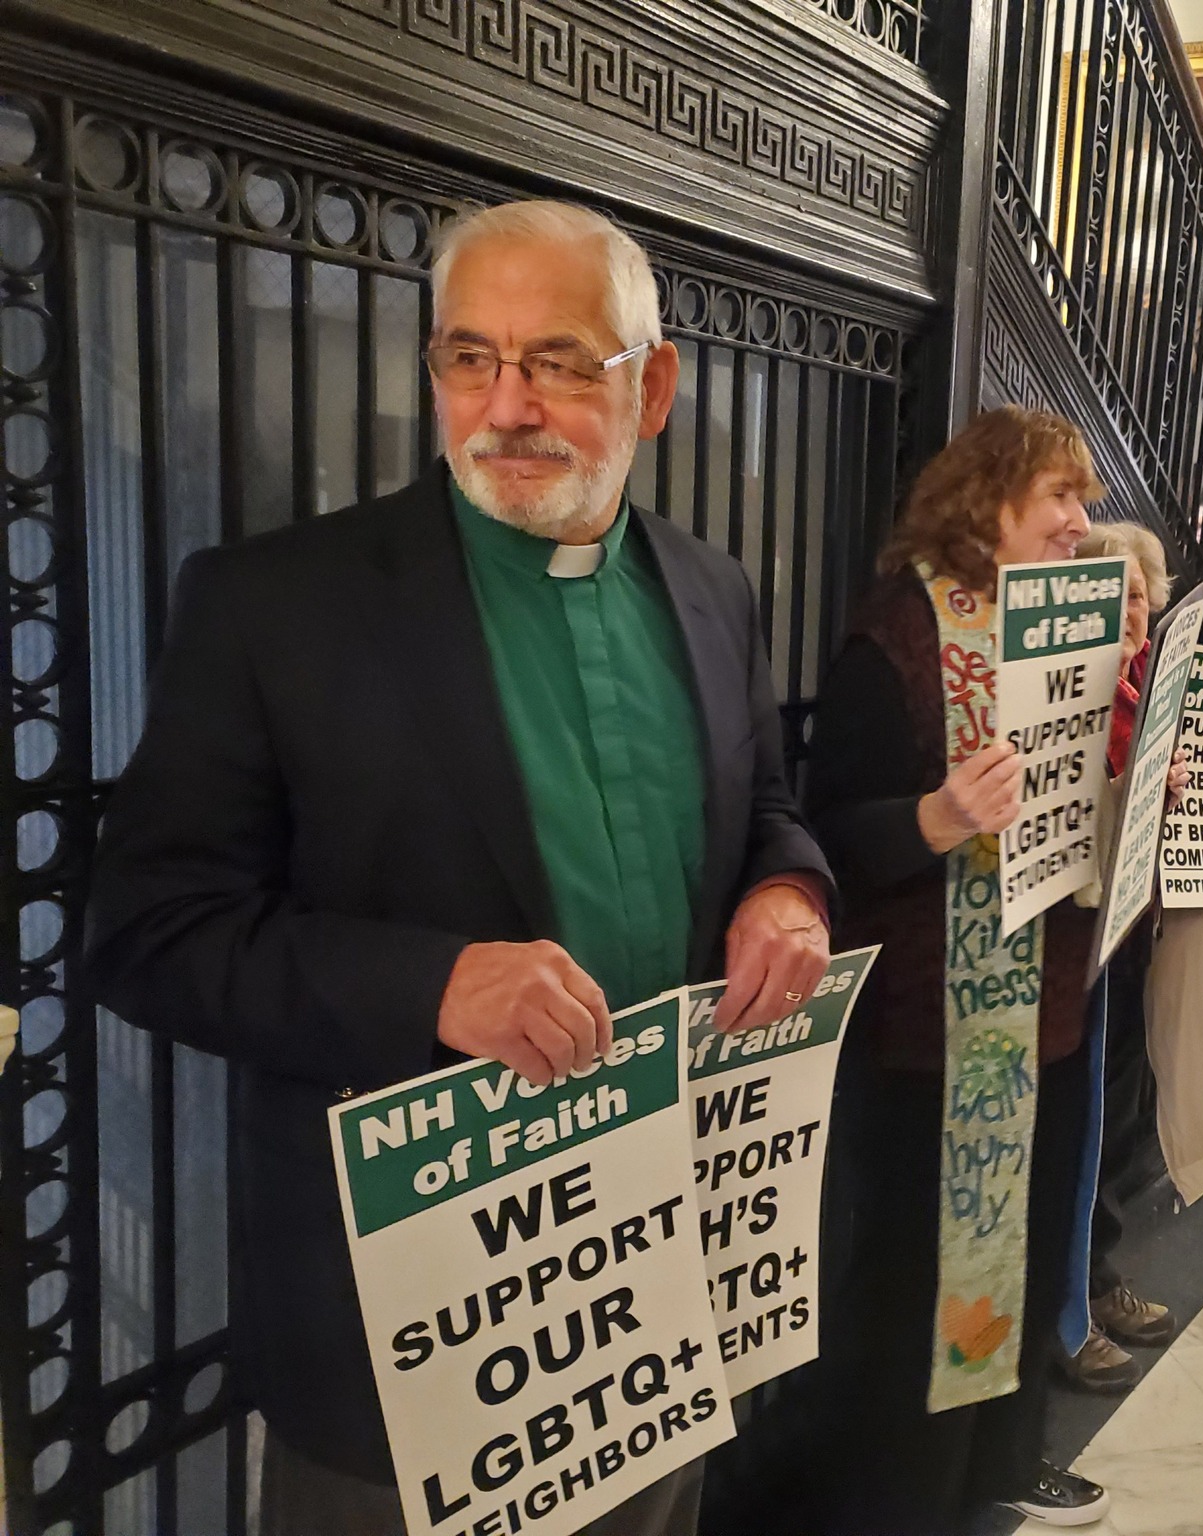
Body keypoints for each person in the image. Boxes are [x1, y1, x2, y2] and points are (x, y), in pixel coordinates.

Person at [82, 201, 835, 1536]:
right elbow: (149, 933)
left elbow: (769, 803)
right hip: (412, 1329)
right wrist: (431, 985)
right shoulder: (277, 606)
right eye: (468, 359)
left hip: (658, 1283)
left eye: (557, 360)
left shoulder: (714, 589)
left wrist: (789, 887)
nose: (507, 405)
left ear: (650, 386)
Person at [803, 406, 1116, 1531]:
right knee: (913, 1279)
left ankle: (1000, 1459)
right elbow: (824, 828)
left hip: (1051, 1004)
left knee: (1026, 1253)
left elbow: (1085, 788)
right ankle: (905, 1498)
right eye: (1060, 501)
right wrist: (934, 818)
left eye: (1079, 501)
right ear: (986, 504)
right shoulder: (894, 635)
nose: (1081, 524)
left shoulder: (1065, 624)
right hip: (929, 1023)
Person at [1058, 522, 1179, 1394]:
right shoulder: (1082, 693)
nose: (1129, 610)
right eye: (1111, 593)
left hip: (1137, 932)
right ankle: (1081, 1300)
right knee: (1087, 1129)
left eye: (1137, 592)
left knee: (1121, 1118)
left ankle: (1097, 1281)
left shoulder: (1143, 683)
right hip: (1084, 946)